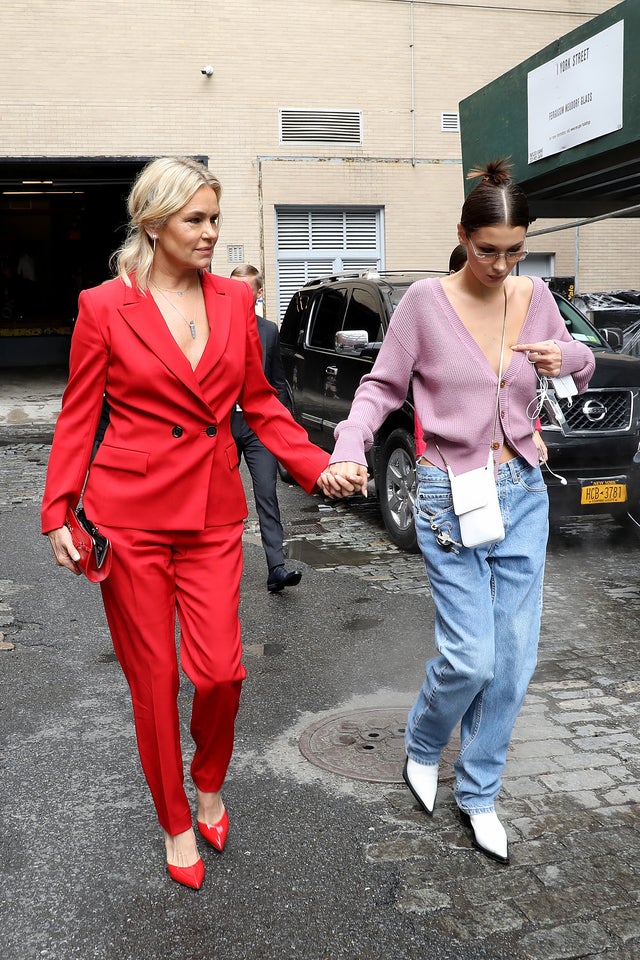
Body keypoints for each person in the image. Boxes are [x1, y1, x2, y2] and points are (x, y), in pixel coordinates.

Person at [41, 156, 353, 890]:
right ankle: (176, 819)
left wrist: (315, 464)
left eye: (216, 219)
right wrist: (59, 508)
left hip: (212, 516)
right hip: (130, 518)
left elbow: (262, 402)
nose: (213, 233)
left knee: (220, 673)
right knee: (154, 682)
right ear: (155, 225)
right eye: (197, 220)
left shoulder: (234, 304)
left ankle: (208, 775)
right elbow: (80, 412)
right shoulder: (103, 306)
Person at [327, 158, 595, 864]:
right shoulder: (423, 304)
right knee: (471, 658)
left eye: (515, 249)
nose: (501, 265)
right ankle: (423, 738)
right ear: (462, 236)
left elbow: (581, 361)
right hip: (450, 494)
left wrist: (560, 356)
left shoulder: (534, 295)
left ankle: (478, 793)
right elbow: (380, 387)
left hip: (523, 490)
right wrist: (348, 446)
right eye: (488, 250)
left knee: (513, 663)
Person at [229, 264, 302, 592]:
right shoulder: (212, 328)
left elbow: (277, 381)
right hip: (224, 425)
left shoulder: (269, 331)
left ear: (259, 294)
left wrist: (281, 421)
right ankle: (219, 570)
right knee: (222, 499)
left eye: (247, 290)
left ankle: (277, 568)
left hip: (258, 426)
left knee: (267, 494)